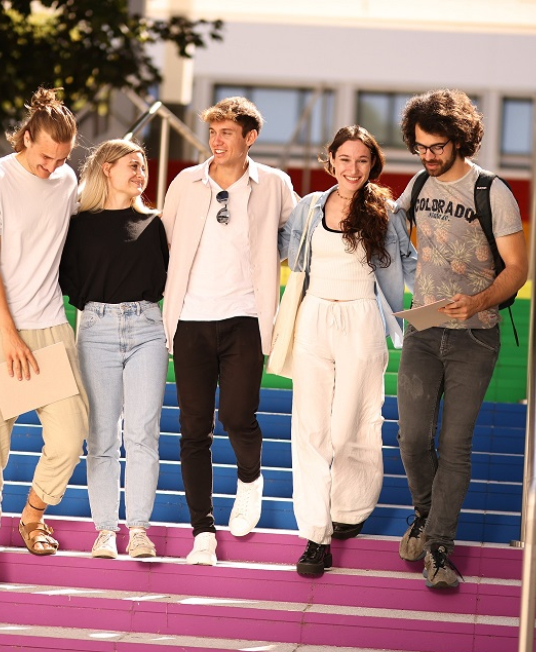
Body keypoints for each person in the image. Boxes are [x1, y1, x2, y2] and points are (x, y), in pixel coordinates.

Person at [395, 89, 528, 589]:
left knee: (454, 444)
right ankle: (427, 518)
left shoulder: (492, 192)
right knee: (411, 440)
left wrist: (477, 302)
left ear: (460, 139)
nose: (427, 156)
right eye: (420, 147)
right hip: (424, 331)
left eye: (436, 147)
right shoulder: (417, 184)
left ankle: (439, 547)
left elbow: (518, 269)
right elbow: (392, 232)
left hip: (476, 336)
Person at [0, 87, 88, 591]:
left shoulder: (66, 178)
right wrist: (11, 337)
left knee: (69, 434)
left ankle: (31, 516)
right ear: (25, 136)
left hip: (49, 323)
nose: (51, 167)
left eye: (61, 159)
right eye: (43, 156)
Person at [162, 96, 297, 566]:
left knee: (238, 416)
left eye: (226, 133)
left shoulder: (275, 184)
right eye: (213, 132)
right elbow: (164, 240)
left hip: (244, 317)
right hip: (190, 320)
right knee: (193, 429)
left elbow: (297, 238)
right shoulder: (185, 183)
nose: (216, 141)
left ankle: (249, 480)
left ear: (249, 137)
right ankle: (203, 532)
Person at [279, 126, 417, 577]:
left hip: (363, 318)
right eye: (344, 158)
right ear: (331, 160)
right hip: (314, 317)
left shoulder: (386, 211)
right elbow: (281, 251)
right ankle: (315, 536)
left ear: (371, 164)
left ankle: (351, 509)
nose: (352, 168)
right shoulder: (309, 206)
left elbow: (410, 265)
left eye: (362, 160)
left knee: (355, 423)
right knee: (311, 427)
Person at [59, 140, 169, 560]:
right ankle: (105, 530)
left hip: (146, 328)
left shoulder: (156, 224)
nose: (140, 171)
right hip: (96, 329)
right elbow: (67, 283)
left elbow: (165, 282)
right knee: (102, 436)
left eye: (143, 165)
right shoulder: (78, 224)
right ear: (106, 168)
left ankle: (138, 529)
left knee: (143, 434)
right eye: (132, 164)